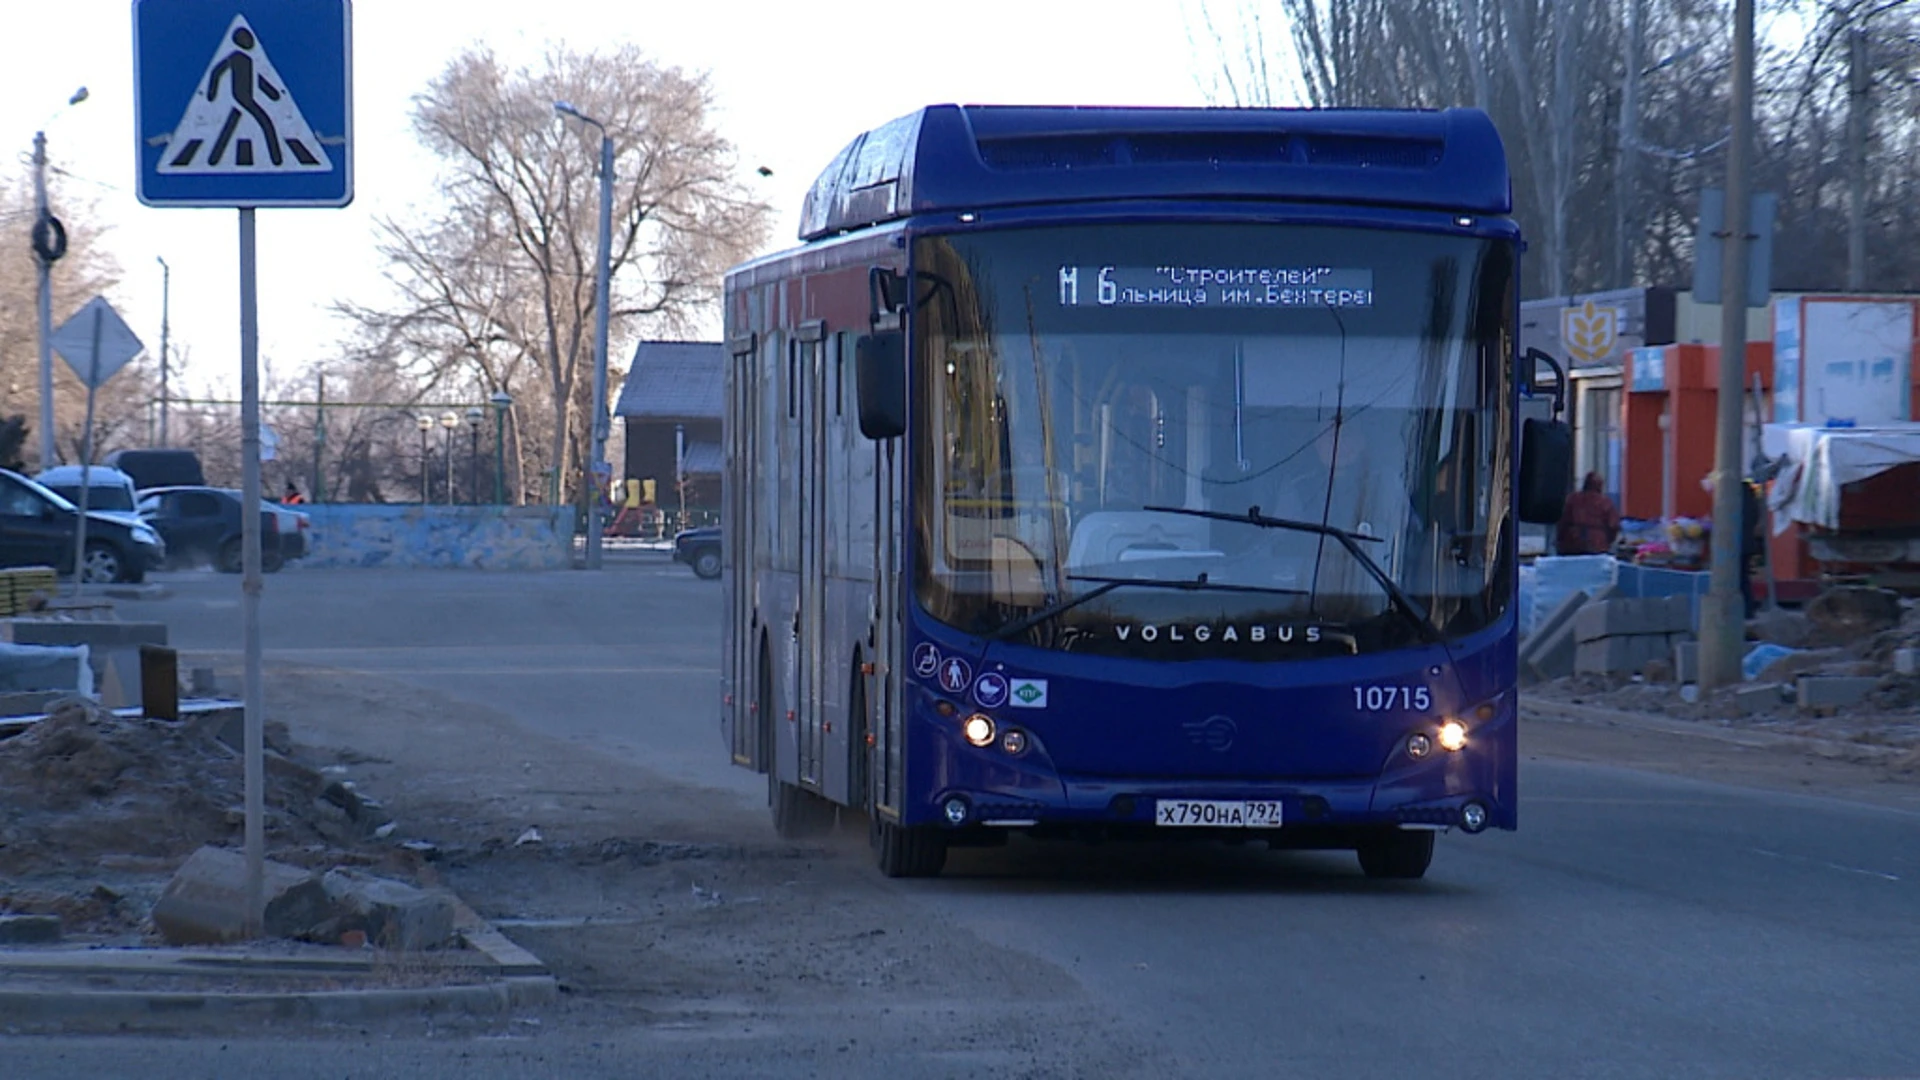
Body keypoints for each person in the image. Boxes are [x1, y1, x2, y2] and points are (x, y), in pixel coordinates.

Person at [1555, 472, 1619, 555]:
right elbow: (1614, 526)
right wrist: (1606, 541)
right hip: (1598, 545)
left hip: (1573, 543)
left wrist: (1561, 541)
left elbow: (1563, 522)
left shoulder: (1573, 499)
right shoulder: (1605, 502)